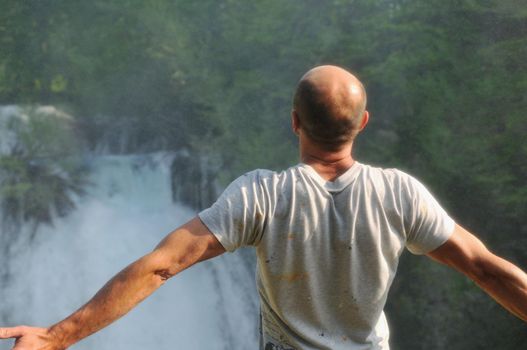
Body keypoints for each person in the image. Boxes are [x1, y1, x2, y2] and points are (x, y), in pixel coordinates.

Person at [0, 65, 526, 349]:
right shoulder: (400, 193)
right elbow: (485, 269)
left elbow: (161, 267)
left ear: (293, 122)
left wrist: (54, 337)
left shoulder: (262, 195)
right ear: (362, 124)